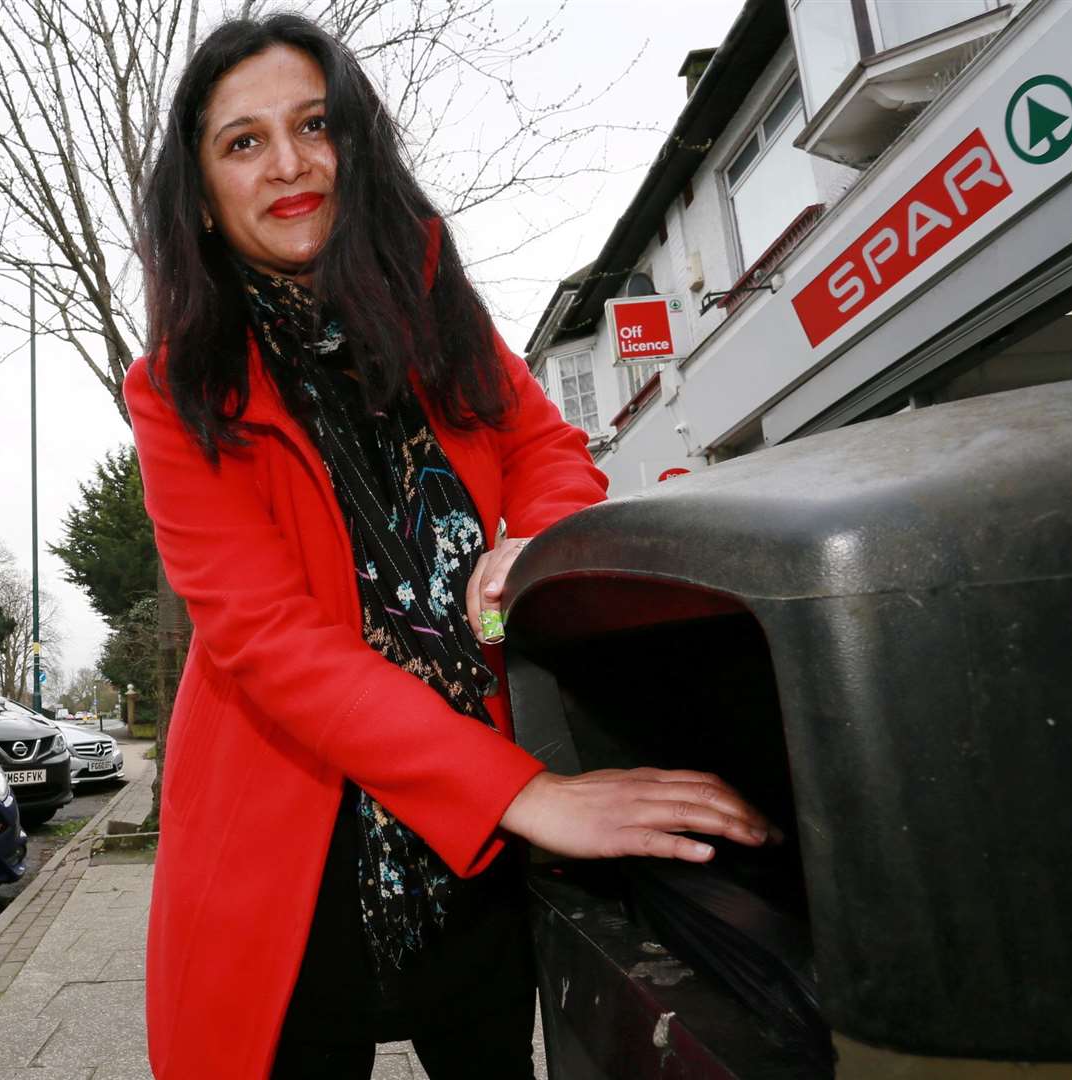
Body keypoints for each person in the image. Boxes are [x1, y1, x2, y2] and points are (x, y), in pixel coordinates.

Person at [126, 14, 777, 1079]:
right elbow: (268, 637)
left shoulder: (431, 301)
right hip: (300, 838)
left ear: (355, 144)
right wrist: (532, 798)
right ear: (200, 193)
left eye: (312, 125)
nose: (288, 164)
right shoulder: (178, 390)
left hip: (479, 833)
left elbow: (546, 445)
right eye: (242, 142)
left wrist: (535, 537)